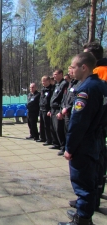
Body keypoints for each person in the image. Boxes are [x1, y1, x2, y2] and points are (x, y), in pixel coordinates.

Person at [59, 52, 107, 225]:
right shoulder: (102, 86)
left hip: (84, 144)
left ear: (84, 67)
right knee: (92, 180)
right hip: (97, 141)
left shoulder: (85, 90)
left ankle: (83, 220)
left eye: (73, 66)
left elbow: (78, 123)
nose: (71, 70)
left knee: (83, 183)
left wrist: (69, 148)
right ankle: (83, 214)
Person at [59, 66, 81, 156]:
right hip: (66, 113)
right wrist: (62, 109)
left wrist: (67, 108)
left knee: (71, 133)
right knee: (67, 132)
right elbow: (66, 97)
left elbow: (75, 99)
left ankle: (72, 150)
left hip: (72, 113)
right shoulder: (71, 83)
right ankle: (67, 148)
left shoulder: (80, 83)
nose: (69, 72)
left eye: (71, 70)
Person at [47, 69, 68, 152]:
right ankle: (56, 143)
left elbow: (63, 99)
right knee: (53, 128)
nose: (54, 76)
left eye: (56, 74)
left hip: (58, 109)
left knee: (59, 129)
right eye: (54, 74)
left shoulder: (64, 84)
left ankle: (63, 146)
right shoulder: (57, 84)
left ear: (61, 74)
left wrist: (60, 111)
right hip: (53, 109)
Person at [38, 76, 54, 145]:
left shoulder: (51, 89)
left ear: (48, 81)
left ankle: (49, 139)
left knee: (47, 125)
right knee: (41, 124)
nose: (43, 83)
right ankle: (42, 137)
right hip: (41, 109)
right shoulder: (42, 89)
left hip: (47, 110)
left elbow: (51, 100)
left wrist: (50, 110)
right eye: (42, 81)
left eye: (44, 81)